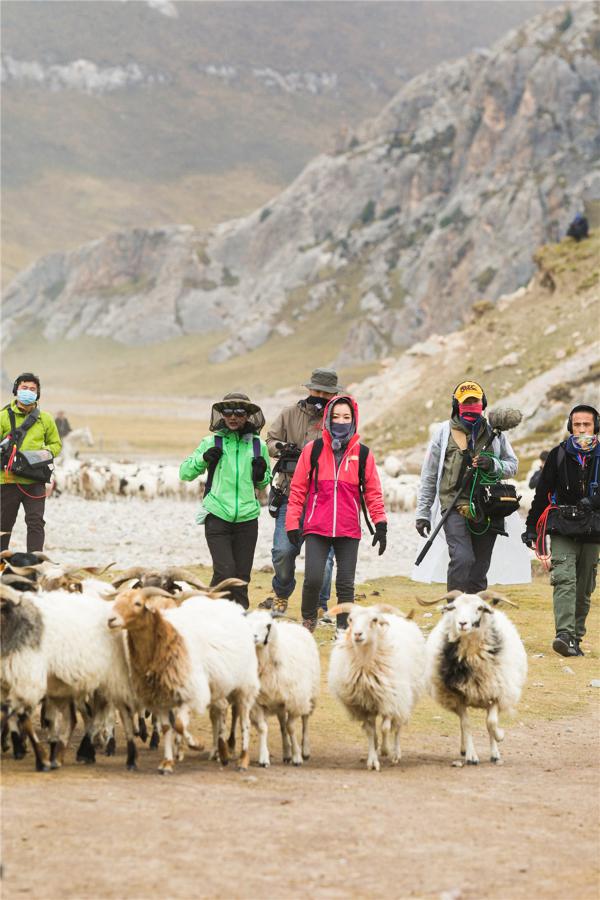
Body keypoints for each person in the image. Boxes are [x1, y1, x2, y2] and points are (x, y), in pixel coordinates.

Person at [285, 394, 387, 634]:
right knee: (313, 579)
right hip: (316, 526)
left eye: (346, 417)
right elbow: (298, 489)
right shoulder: (313, 449)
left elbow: (373, 492)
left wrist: (380, 523)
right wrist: (292, 522)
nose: (341, 421)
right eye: (336, 416)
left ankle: (343, 630)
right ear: (328, 418)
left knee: (345, 584)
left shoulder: (363, 454)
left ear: (353, 420)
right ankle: (308, 621)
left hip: (349, 527)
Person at [414, 380, 520, 593]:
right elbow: (429, 475)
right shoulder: (443, 433)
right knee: (462, 558)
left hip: (488, 507)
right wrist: (423, 513)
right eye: (466, 402)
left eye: (475, 402)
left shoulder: (495, 433)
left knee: (479, 568)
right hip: (454, 505)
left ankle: (475, 616)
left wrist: (493, 464)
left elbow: (513, 465)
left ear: (484, 404)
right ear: (456, 405)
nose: (471, 407)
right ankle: (454, 608)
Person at [179, 392, 271, 609]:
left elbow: (262, 483)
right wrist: (203, 459)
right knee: (225, 572)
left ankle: (237, 617)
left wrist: (261, 474)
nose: (233, 417)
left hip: (247, 519)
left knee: (241, 576)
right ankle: (212, 612)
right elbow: (185, 473)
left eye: (239, 412)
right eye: (228, 412)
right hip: (217, 515)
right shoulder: (212, 442)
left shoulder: (259, 446)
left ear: (248, 415)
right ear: (221, 414)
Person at [263, 368, 343, 615]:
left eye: (326, 394)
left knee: (325, 559)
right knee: (282, 551)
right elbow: (270, 442)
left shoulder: (340, 419)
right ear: (309, 389)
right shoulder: (289, 414)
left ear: (334, 395)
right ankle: (281, 593)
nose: (320, 397)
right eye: (317, 391)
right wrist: (283, 448)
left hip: (326, 499)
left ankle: (320, 604)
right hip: (289, 494)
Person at [523, 404, 600, 658]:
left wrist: (594, 502)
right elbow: (541, 495)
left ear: (595, 427)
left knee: (585, 586)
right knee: (564, 579)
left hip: (593, 530)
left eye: (586, 425)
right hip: (562, 528)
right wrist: (532, 529)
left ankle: (576, 637)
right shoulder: (558, 455)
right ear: (570, 426)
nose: (581, 430)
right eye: (576, 425)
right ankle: (564, 635)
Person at [0, 373, 62, 552]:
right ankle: (1, 568)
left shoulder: (46, 419)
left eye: (33, 389)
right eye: (24, 388)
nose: (28, 392)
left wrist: (41, 456)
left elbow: (56, 444)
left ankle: (34, 568)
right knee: (3, 526)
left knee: (36, 524)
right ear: (16, 390)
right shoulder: (3, 417)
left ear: (38, 393)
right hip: (8, 480)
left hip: (35, 480)